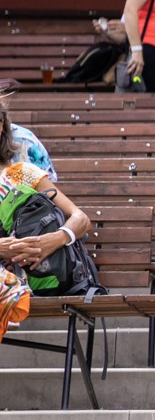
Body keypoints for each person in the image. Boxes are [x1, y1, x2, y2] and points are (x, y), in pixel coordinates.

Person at [0, 97, 93, 285]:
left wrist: (56, 239)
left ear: (1, 126)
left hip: (28, 279)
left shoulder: (22, 173)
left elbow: (81, 218)